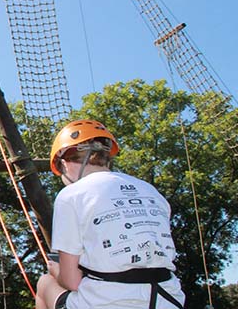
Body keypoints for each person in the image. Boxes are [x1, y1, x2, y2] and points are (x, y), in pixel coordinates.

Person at [35, 119, 186, 309]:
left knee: (45, 283)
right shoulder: (151, 191)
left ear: (64, 163)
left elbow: (71, 282)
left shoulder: (71, 195)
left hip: (109, 303)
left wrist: (56, 272)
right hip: (168, 300)